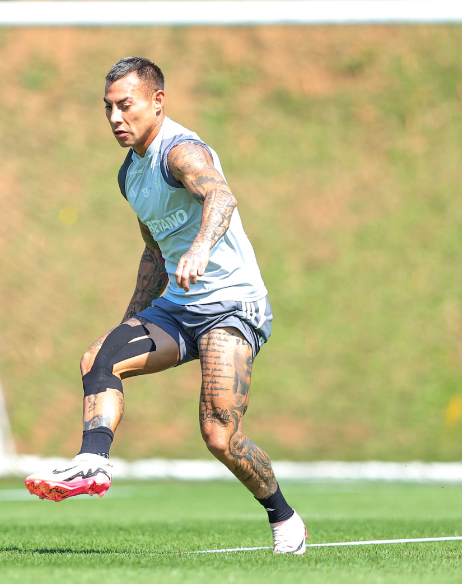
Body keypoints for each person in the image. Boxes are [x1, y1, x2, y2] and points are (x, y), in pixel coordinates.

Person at [24, 57, 308, 553]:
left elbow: (222, 200)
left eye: (125, 106)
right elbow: (154, 250)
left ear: (157, 102)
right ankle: (93, 462)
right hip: (177, 307)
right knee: (99, 358)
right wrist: (128, 320)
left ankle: (284, 518)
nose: (115, 118)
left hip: (231, 305)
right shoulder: (128, 175)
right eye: (108, 108)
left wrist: (199, 249)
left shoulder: (182, 152)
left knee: (219, 436)